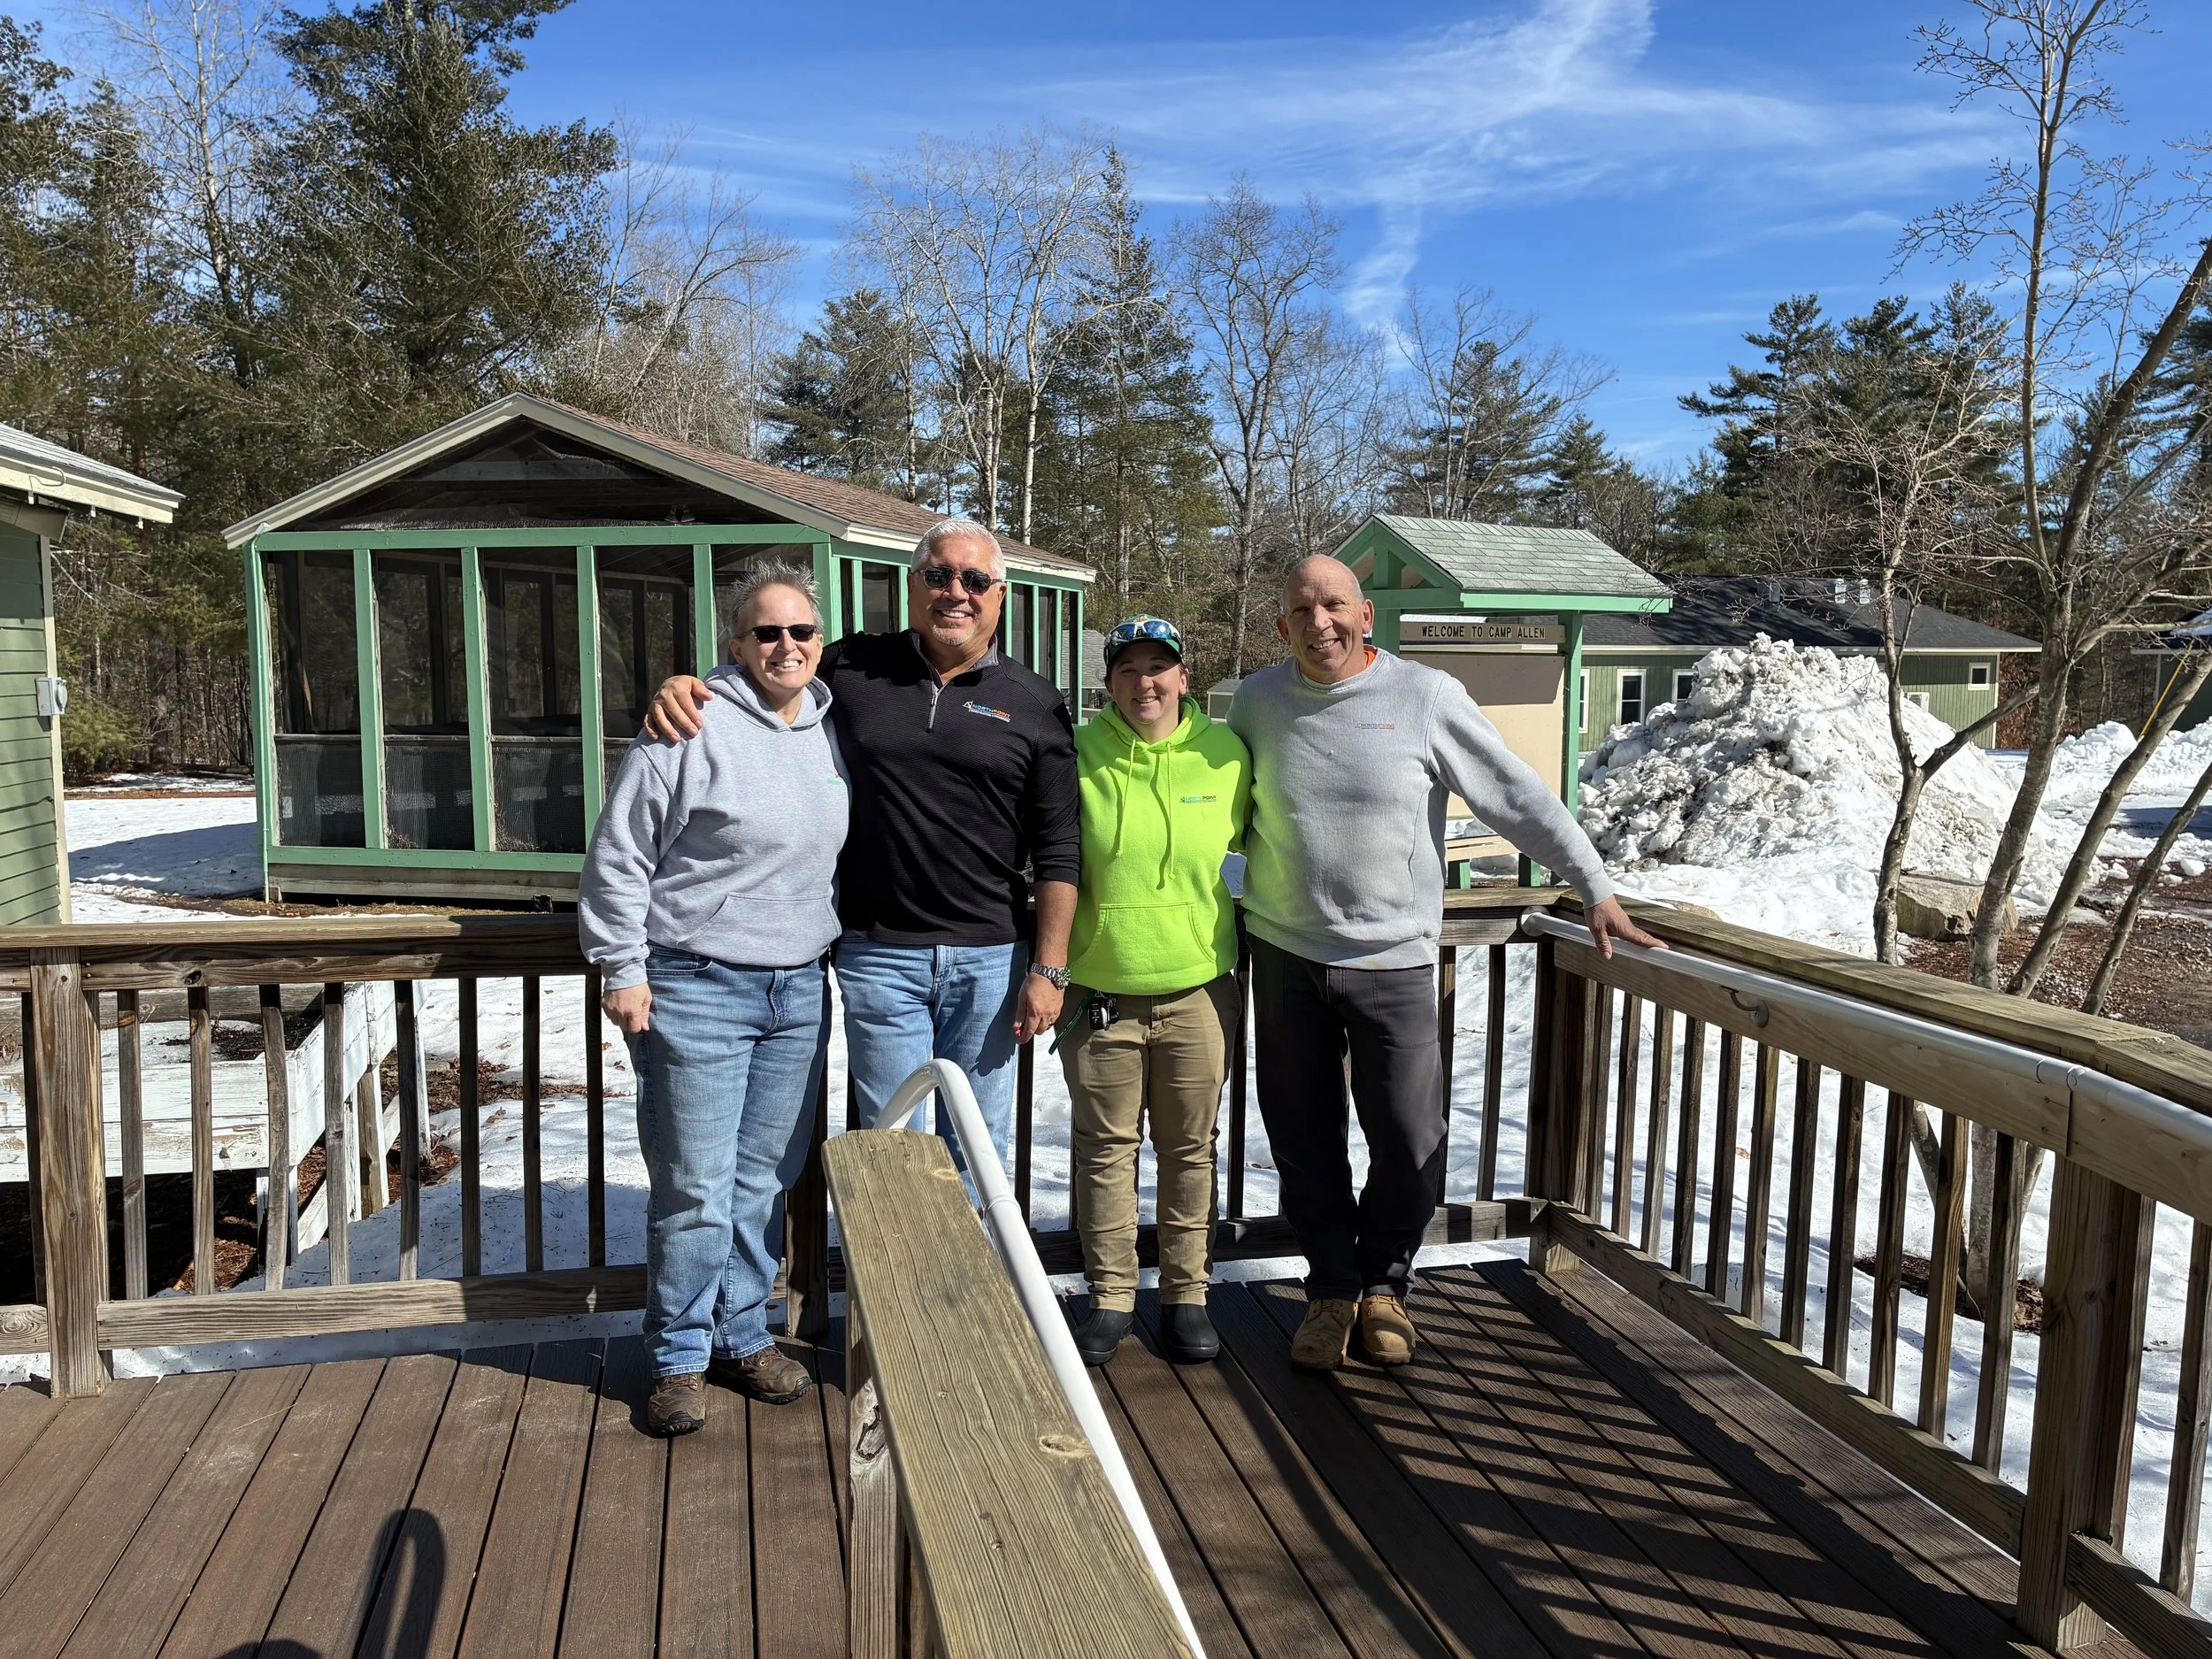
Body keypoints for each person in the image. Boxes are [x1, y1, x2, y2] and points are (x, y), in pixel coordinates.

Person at [1230, 555, 1662, 1373]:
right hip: (1285, 955)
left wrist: (1593, 883)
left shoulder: (1424, 698)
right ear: (1281, 624)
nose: (1318, 621)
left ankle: (1386, 1285)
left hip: (1393, 963)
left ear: (1364, 615)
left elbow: (1516, 793)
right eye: (1300, 609)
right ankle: (1330, 1290)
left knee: (1410, 1137)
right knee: (1302, 1140)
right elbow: (1209, 802)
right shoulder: (1258, 701)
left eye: (1333, 605)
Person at [644, 519, 1079, 1171]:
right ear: (913, 584)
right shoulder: (851, 667)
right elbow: (770, 670)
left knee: (979, 1150)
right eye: (938, 575)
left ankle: (968, 1277)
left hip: (991, 959)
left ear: (1000, 594)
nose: (954, 592)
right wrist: (690, 684)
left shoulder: (1036, 703)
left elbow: (1059, 847)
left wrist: (1048, 969)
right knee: (892, 1149)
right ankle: (892, 1276)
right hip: (880, 953)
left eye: (974, 579)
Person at [580, 565, 845, 1436]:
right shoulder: (686, 728)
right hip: (696, 982)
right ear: (735, 645)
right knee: (693, 1184)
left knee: (764, 1179)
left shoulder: (827, 727)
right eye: (766, 633)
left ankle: (743, 1333)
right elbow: (620, 855)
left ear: (819, 640)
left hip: (798, 987)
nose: (786, 647)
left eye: (800, 632)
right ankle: (679, 1356)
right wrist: (621, 966)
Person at [1058, 616, 1249, 1369]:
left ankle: (1186, 1294)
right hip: (1100, 991)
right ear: (1108, 681)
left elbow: (1268, 845)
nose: (1146, 681)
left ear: (1184, 675)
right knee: (1105, 1150)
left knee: (1189, 1148)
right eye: (1129, 668)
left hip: (1200, 989)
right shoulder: (1077, 754)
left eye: (1159, 667)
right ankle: (1110, 1295)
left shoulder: (1225, 755)